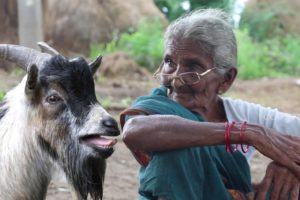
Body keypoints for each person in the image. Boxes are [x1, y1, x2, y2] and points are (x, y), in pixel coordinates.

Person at [120, 9, 300, 200]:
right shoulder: (155, 107)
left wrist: (290, 165)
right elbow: (134, 131)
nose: (176, 80)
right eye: (169, 62)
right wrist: (244, 133)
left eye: (193, 67)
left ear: (226, 79)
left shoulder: (244, 114)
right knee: (174, 149)